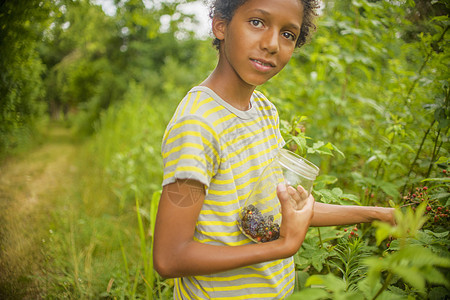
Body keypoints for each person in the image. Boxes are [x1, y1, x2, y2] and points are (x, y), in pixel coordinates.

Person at [153, 0, 395, 299]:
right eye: (257, 22)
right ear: (221, 25)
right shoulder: (198, 125)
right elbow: (169, 257)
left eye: (288, 34)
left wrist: (377, 214)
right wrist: (282, 247)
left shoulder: (264, 110)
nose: (271, 45)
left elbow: (278, 209)